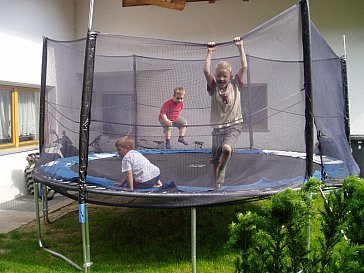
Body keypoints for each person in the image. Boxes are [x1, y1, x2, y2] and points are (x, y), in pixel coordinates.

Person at [203, 37, 248, 189]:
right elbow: (206, 71)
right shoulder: (213, 87)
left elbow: (244, 66)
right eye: (219, 76)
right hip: (217, 128)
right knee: (215, 160)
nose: (221, 78)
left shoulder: (236, 84)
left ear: (230, 76)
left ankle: (223, 169)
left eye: (225, 76)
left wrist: (240, 46)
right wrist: (210, 52)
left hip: (234, 125)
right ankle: (217, 185)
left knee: (227, 149)